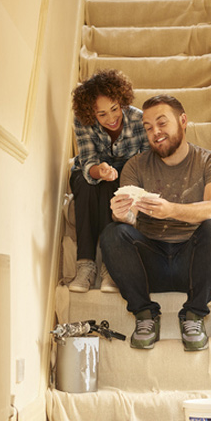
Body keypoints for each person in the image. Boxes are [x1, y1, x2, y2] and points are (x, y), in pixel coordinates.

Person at [99, 94, 211, 351]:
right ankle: (145, 315)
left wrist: (170, 210)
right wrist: (120, 213)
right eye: (148, 128)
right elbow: (130, 219)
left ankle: (194, 315)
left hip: (193, 264)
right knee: (112, 233)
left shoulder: (210, 161)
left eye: (162, 123)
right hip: (150, 264)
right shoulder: (135, 166)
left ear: (183, 121)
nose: (155, 133)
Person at [69, 69, 149, 293]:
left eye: (114, 109)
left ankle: (109, 267)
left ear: (122, 100)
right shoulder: (82, 121)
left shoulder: (139, 119)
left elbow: (144, 164)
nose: (111, 118)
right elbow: (87, 163)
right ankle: (85, 265)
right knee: (86, 184)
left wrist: (120, 177)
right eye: (102, 114)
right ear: (91, 114)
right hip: (93, 172)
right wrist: (100, 171)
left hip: (126, 174)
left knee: (113, 190)